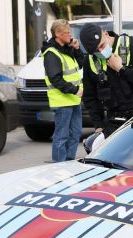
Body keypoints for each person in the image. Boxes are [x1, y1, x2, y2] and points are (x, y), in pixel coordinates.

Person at [42, 19, 84, 163]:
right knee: (62, 136)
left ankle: (69, 162)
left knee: (76, 133)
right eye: (67, 32)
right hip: (62, 101)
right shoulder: (51, 53)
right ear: (58, 34)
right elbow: (56, 79)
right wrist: (75, 90)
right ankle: (59, 166)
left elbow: (81, 64)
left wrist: (77, 49)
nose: (70, 35)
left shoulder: (67, 49)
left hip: (73, 100)